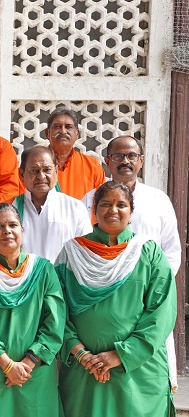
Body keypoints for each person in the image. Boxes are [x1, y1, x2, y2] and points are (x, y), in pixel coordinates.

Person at [56, 181, 176, 416]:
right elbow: (56, 311)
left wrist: (120, 355)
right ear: (94, 209)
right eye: (105, 204)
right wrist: (81, 353)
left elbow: (161, 314)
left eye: (121, 204)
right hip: (84, 371)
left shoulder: (149, 253)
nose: (113, 210)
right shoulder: (71, 254)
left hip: (137, 370)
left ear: (131, 211)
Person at [81, 135, 181, 390]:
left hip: (147, 298)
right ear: (107, 161)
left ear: (141, 161)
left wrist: (151, 289)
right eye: (118, 156)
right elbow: (82, 247)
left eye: (131, 156)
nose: (125, 161)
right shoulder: (89, 199)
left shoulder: (159, 200)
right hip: (100, 301)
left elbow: (171, 251)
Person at [0, 203, 65, 417]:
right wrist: (7, 365)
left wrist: (28, 362)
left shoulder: (43, 269)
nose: (6, 231)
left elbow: (55, 322)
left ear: (22, 230)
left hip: (34, 373)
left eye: (12, 225)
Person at [13, 145, 91, 261]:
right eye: (34, 171)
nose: (41, 176)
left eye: (47, 170)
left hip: (62, 278)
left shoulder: (74, 208)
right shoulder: (11, 208)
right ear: (22, 174)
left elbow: (86, 252)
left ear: (56, 171)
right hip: (23, 278)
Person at [44, 107, 105, 200]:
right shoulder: (34, 164)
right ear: (47, 133)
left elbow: (101, 203)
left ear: (77, 134)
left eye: (68, 127)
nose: (63, 131)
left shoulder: (92, 166)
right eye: (57, 127)